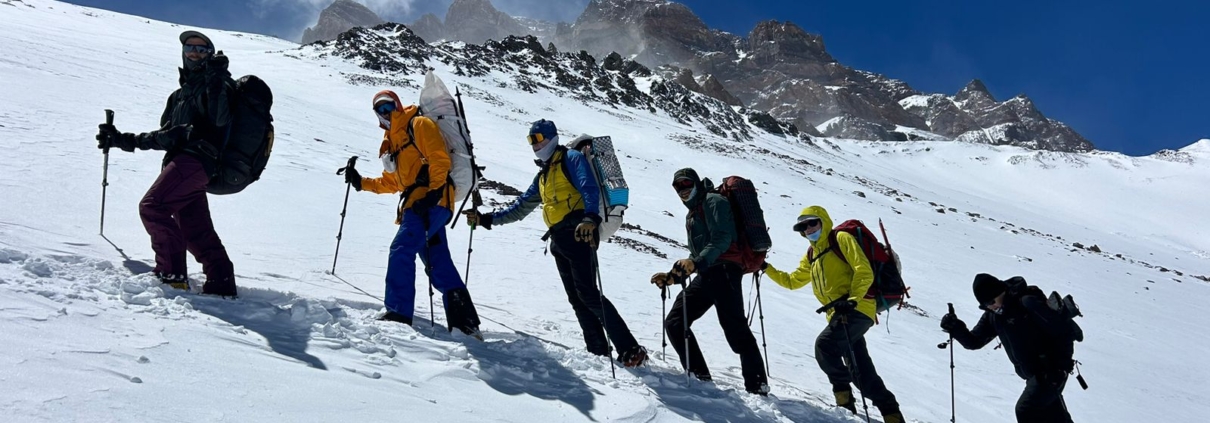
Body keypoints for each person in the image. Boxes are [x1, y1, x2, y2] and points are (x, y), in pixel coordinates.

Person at [462, 119, 648, 367]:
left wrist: (590, 219)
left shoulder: (571, 158)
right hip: (559, 240)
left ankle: (630, 349)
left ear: (552, 138)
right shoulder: (544, 175)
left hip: (579, 232)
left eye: (538, 139)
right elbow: (521, 207)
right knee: (577, 298)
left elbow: (589, 187)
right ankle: (597, 350)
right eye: (531, 140)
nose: (534, 145)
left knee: (588, 293)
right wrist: (487, 219)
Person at [95, 30, 237, 297]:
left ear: (210, 55)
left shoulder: (218, 84)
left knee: (153, 207)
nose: (194, 53)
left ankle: (171, 276)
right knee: (195, 230)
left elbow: (219, 120)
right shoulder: (179, 96)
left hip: (195, 162)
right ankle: (222, 285)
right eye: (189, 48)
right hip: (184, 165)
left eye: (202, 49)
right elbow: (165, 137)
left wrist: (217, 78)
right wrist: (120, 139)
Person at [341, 90, 482, 338]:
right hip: (420, 205)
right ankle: (465, 324)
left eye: (388, 106)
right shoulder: (392, 141)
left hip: (430, 204)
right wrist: (362, 183)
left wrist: (433, 193)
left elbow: (439, 159)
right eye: (380, 109)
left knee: (401, 249)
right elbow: (394, 182)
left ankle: (398, 313)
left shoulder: (419, 124)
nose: (385, 112)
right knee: (438, 262)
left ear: (397, 105)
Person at [762, 206, 904, 422]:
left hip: (858, 309)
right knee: (861, 371)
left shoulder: (841, 238)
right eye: (803, 227)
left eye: (812, 223)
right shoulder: (812, 254)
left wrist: (853, 299)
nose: (809, 229)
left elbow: (863, 270)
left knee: (824, 346)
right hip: (840, 315)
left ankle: (844, 403)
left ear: (823, 221)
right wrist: (765, 267)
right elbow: (792, 281)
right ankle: (891, 414)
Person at [650, 168, 769, 396]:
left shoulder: (713, 201)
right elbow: (698, 254)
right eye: (678, 186)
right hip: (708, 273)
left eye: (687, 183)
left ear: (696, 182)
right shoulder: (694, 212)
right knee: (675, 322)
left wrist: (696, 263)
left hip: (725, 270)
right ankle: (699, 377)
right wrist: (674, 276)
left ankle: (758, 386)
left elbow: (722, 238)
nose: (683, 189)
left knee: (735, 330)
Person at [940, 274, 1076, 423]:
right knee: (1054, 416)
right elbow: (974, 342)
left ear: (1000, 292)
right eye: (985, 305)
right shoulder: (993, 316)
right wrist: (956, 327)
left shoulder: (1026, 303)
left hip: (1050, 372)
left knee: (1026, 410)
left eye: (991, 301)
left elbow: (1064, 332)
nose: (990, 307)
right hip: (1034, 375)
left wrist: (1061, 366)